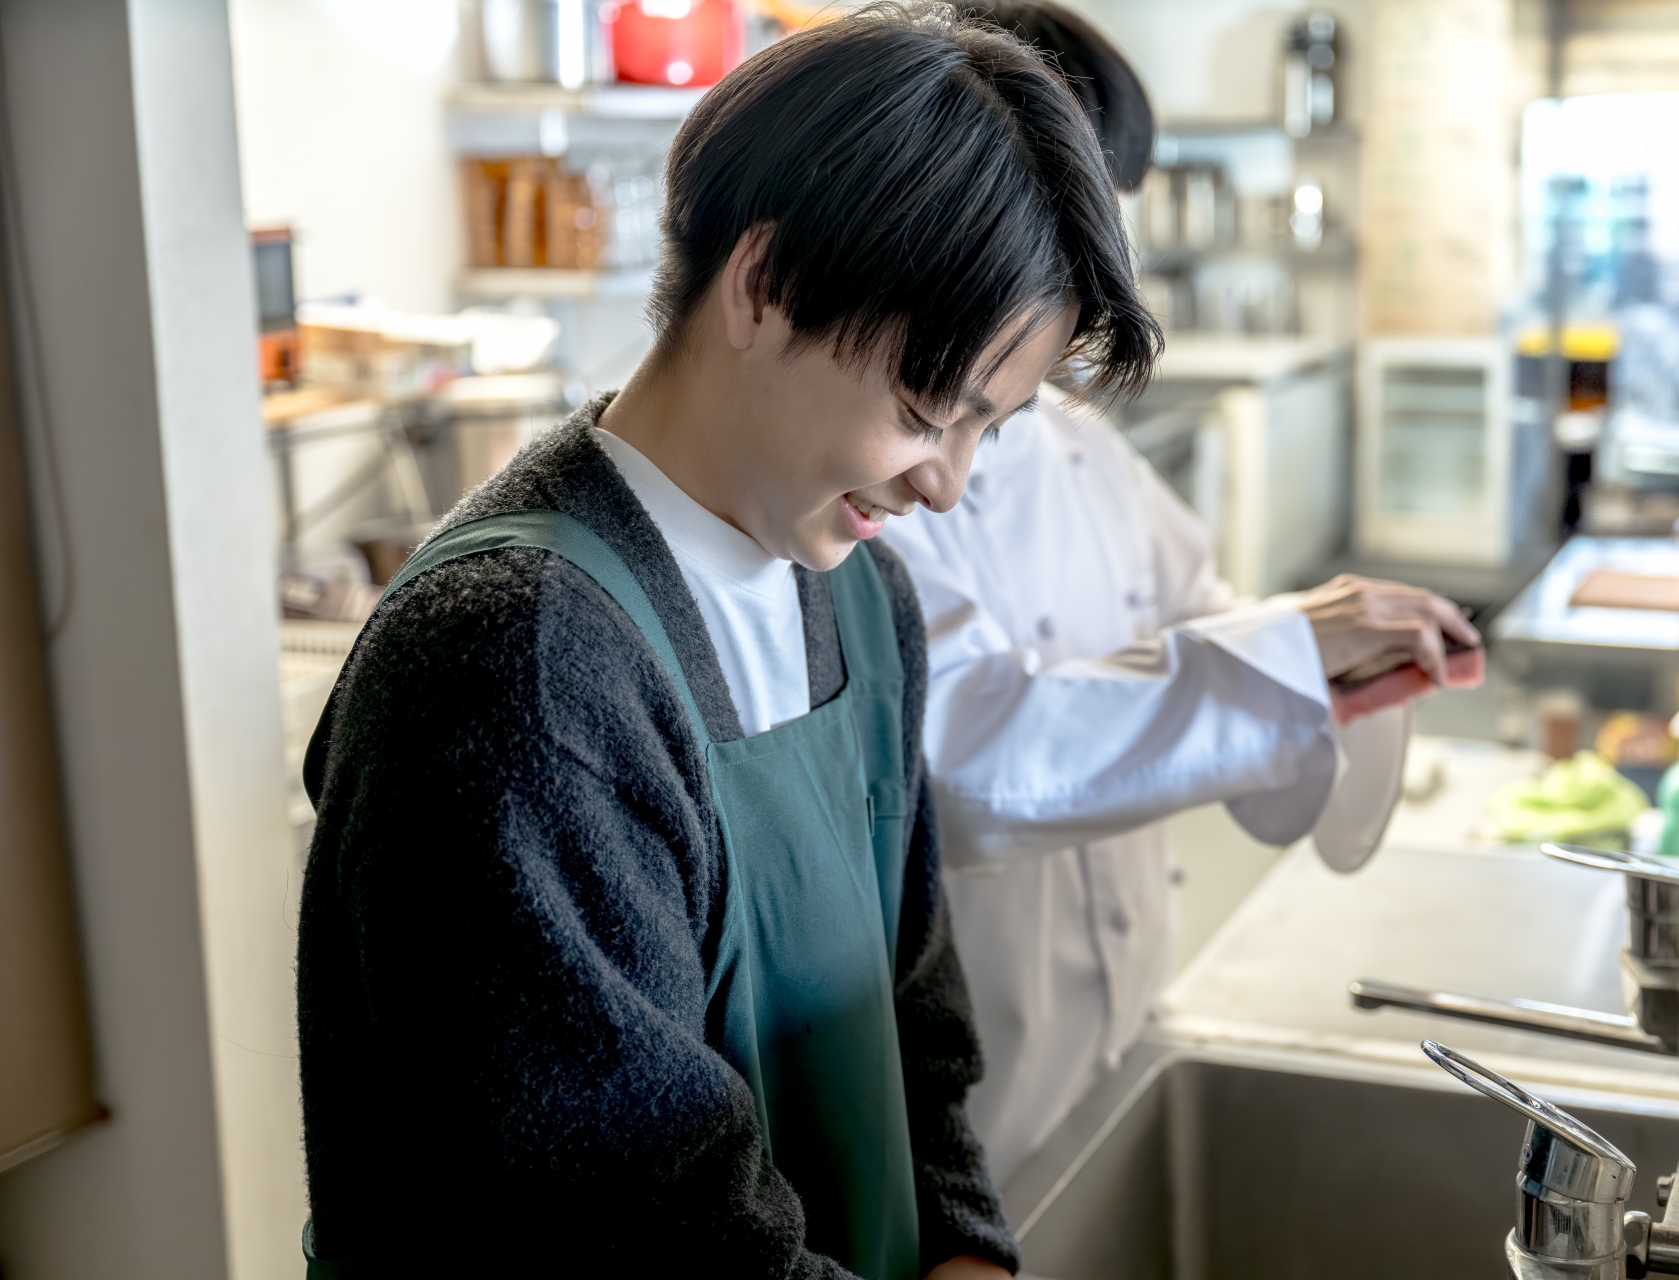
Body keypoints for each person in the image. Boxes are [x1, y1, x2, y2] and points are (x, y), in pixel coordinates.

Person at [293, 7, 1158, 1277]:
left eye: (993, 426)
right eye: (927, 410)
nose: (948, 485)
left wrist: (966, 1243)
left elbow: (916, 1012)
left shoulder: (858, 598)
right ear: (762, 285)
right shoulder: (510, 669)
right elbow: (637, 1224)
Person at [880, 0, 1481, 1181]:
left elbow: (1198, 613)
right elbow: (965, 757)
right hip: (970, 1123)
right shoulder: (873, 474)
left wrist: (1331, 663)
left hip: (1123, 1035)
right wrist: (1279, 661)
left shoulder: (1075, 445)